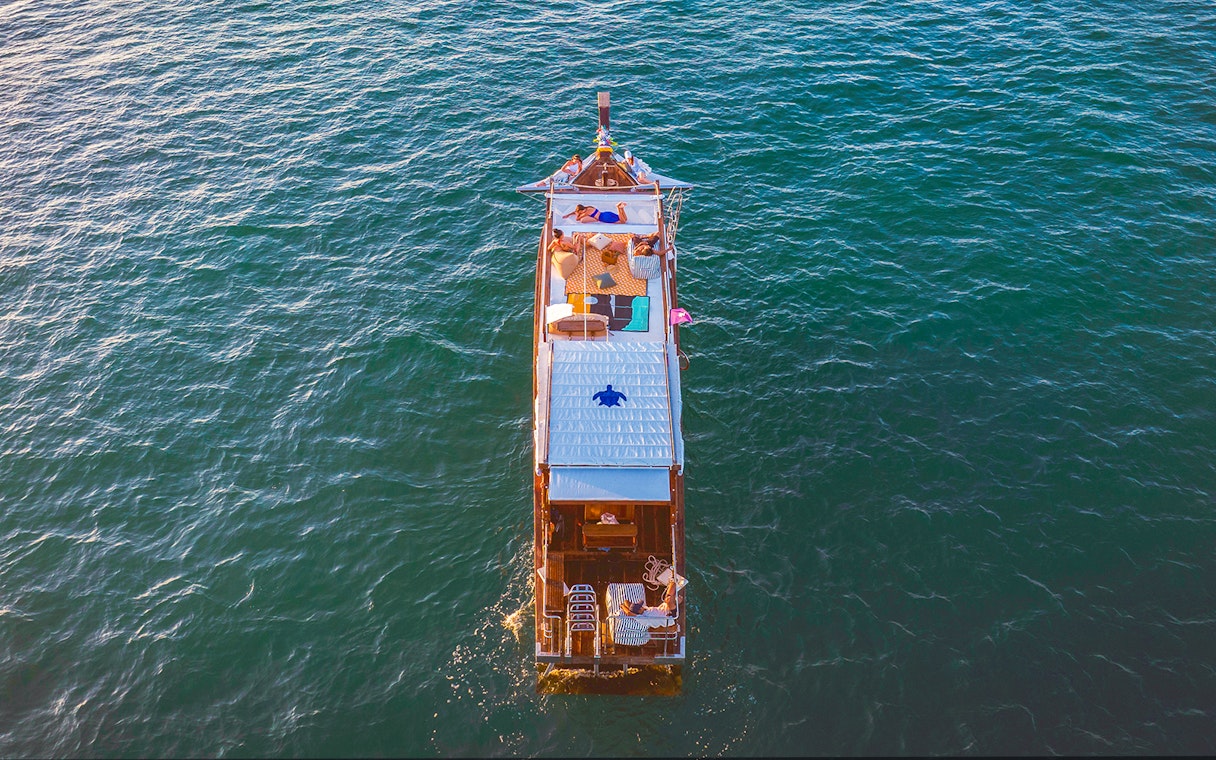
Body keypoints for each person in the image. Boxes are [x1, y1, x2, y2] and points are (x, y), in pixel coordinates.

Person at [563, 202, 628, 224]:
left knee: (623, 222)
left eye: (580, 212)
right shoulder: (589, 207)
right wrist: (568, 215)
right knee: (625, 219)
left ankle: (618, 208)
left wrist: (577, 215)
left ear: (581, 210)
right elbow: (575, 211)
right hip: (605, 213)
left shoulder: (586, 213)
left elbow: (577, 219)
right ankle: (621, 208)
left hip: (604, 218)